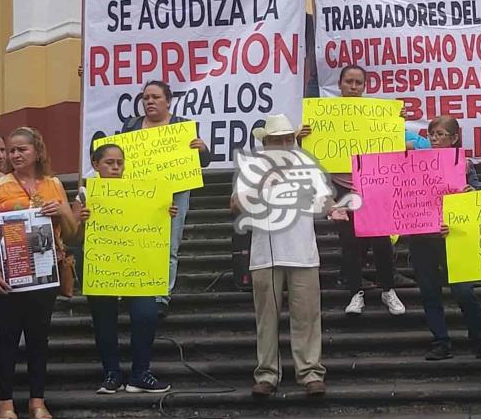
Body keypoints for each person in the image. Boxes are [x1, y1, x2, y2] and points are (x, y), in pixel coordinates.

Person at [231, 114, 331, 398]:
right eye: (279, 140)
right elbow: (234, 205)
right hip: (265, 255)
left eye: (289, 139)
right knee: (267, 319)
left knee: (307, 317)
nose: (285, 144)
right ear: (267, 144)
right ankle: (267, 374)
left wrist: (334, 208)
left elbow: (324, 199)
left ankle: (310, 372)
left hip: (303, 253)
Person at [299, 65, 405, 316]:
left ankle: (388, 289)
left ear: (365, 86)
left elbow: (392, 148)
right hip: (341, 189)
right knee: (350, 244)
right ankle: (355, 293)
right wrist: (300, 137)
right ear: (340, 84)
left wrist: (395, 124)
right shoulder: (323, 115)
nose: (354, 87)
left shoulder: (377, 115)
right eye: (349, 82)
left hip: (373, 189)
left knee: (381, 242)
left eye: (359, 83)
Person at [73, 144, 175, 395]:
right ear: (96, 165)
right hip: (101, 266)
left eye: (120, 162)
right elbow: (72, 236)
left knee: (147, 314)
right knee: (104, 320)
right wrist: (82, 221)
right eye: (109, 162)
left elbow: (153, 224)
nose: (116, 167)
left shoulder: (140, 189)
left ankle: (140, 373)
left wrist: (165, 212)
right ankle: (112, 374)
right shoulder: (86, 194)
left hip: (138, 266)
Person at [0, 127, 78, 419]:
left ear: (37, 152)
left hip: (45, 274)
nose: (15, 155)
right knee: (5, 339)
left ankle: (37, 402)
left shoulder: (54, 184)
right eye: (11, 150)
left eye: (21, 149)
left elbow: (71, 234)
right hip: (9, 275)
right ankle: (4, 404)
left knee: (38, 339)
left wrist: (64, 213)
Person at [407, 116, 481, 363]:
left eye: (440, 134)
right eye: (431, 135)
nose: (435, 139)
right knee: (429, 291)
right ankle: (440, 341)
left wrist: (472, 192)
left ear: (454, 138)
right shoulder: (414, 162)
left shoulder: (465, 165)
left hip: (454, 236)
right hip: (422, 236)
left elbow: (475, 198)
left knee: (464, 291)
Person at [120, 80, 211, 317]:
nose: (149, 102)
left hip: (175, 193)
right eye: (145, 98)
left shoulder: (182, 126)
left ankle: (161, 295)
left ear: (168, 100)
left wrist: (202, 149)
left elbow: (203, 162)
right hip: (140, 194)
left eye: (155, 97)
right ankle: (134, 289)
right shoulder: (131, 127)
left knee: (169, 244)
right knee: (136, 241)